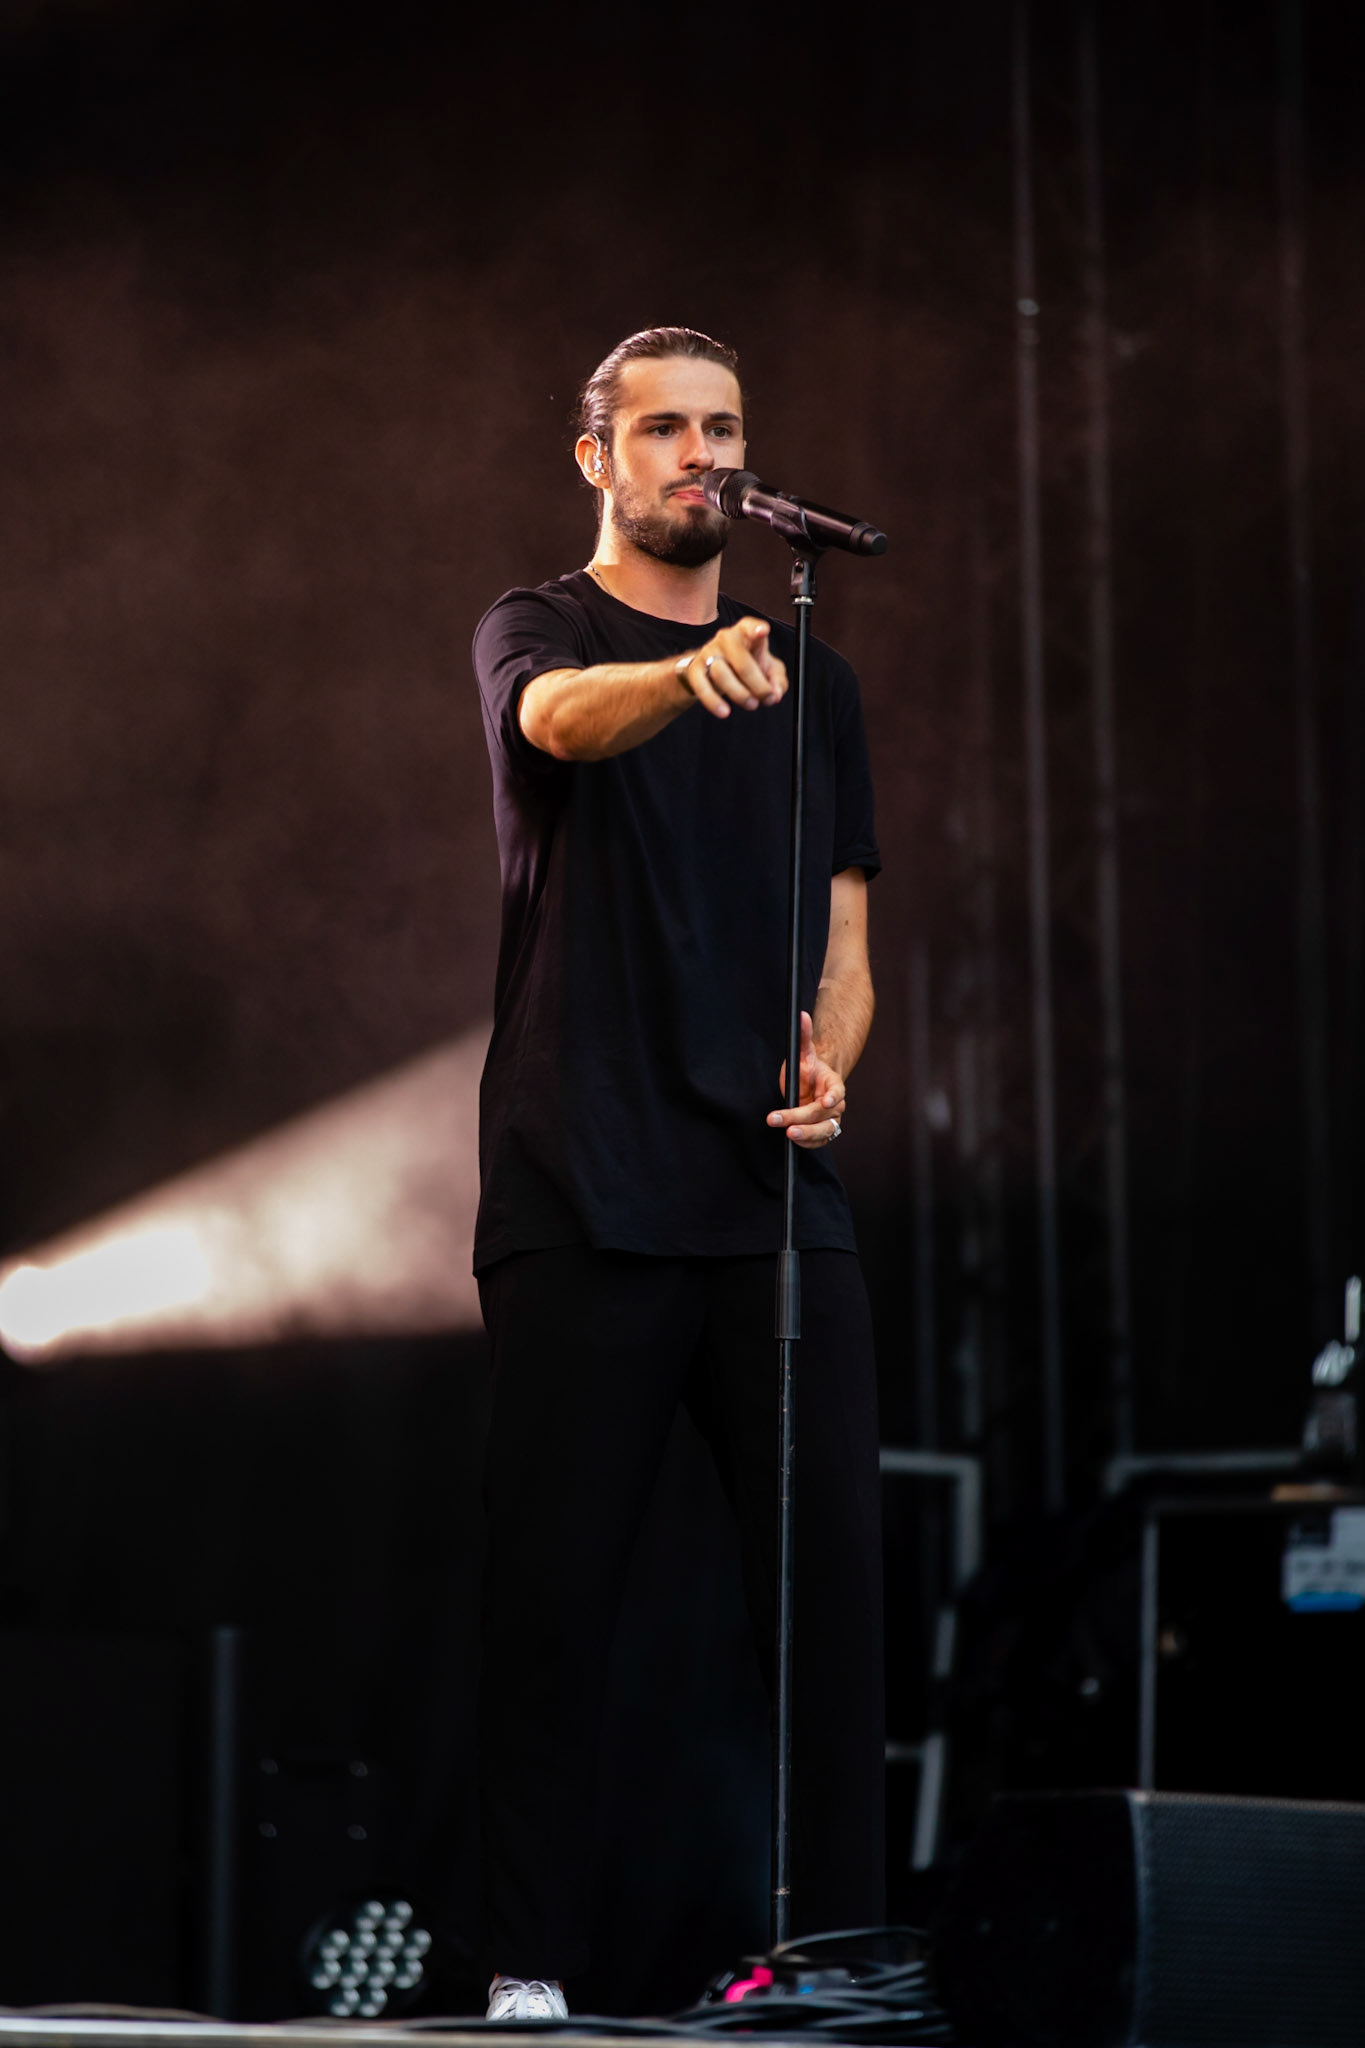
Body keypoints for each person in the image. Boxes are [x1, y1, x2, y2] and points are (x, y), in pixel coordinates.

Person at [471, 327, 885, 2022]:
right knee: (557, 1606)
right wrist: (685, 674)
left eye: (720, 430)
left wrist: (831, 1060)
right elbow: (559, 724)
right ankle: (526, 1973)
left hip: (768, 1202)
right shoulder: (541, 627)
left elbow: (850, 939)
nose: (696, 457)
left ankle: (841, 1961)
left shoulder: (817, 679)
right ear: (598, 459)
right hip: (581, 1186)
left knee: (829, 1607)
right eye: (662, 430)